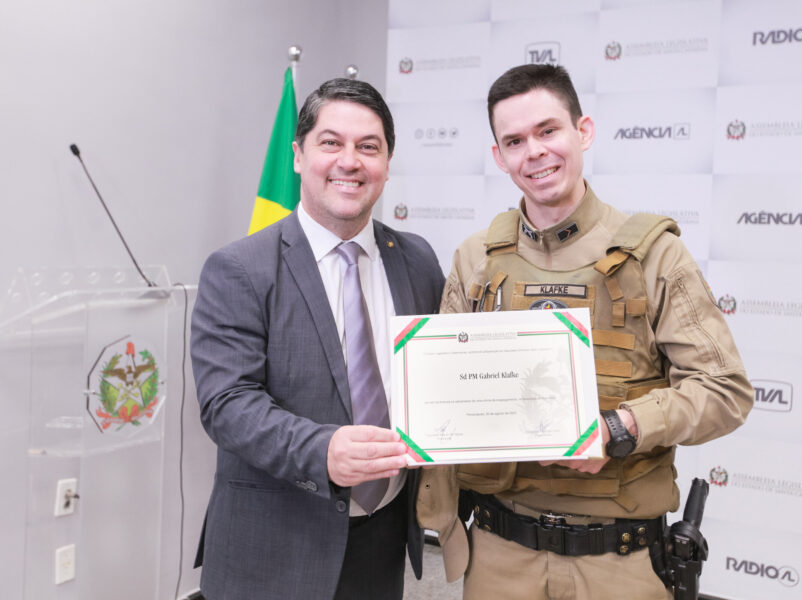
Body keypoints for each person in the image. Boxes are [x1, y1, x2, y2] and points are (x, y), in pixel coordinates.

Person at [418, 64, 753, 599]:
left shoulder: (656, 255)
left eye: (548, 131)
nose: (535, 152)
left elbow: (725, 391)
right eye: (515, 140)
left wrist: (620, 429)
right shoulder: (475, 260)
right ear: (499, 157)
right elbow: (441, 398)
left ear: (584, 131)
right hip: (500, 554)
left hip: (619, 562)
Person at [191, 78, 445, 600]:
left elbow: (437, 378)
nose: (349, 161)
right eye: (331, 143)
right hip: (273, 547)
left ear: (387, 163)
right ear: (299, 155)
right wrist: (321, 448)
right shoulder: (239, 268)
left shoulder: (417, 260)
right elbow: (226, 404)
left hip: (382, 539)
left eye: (368, 146)